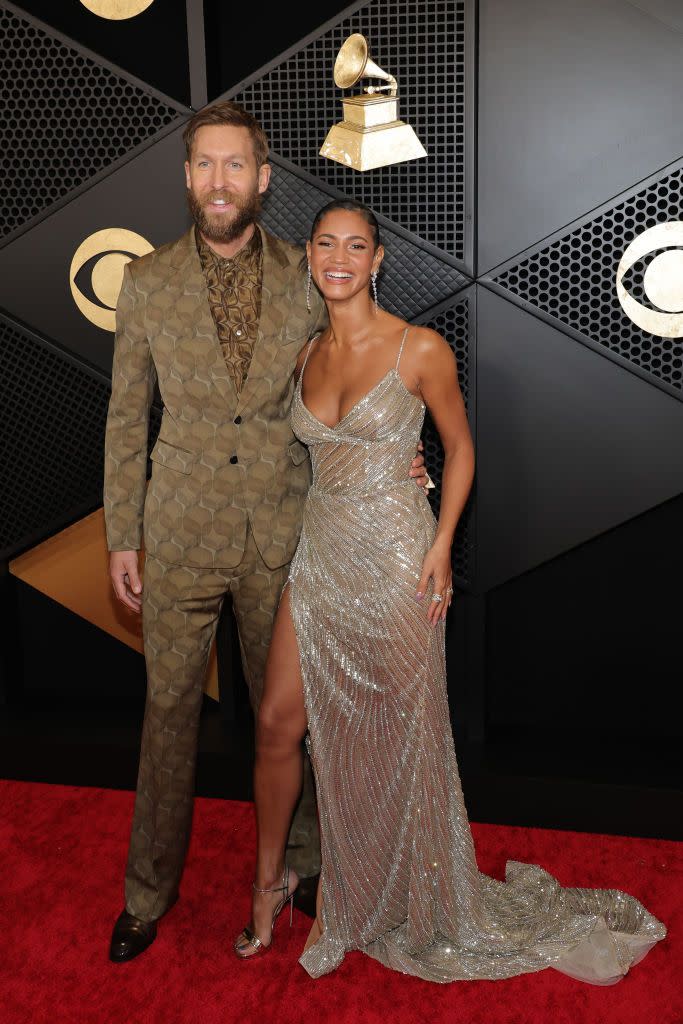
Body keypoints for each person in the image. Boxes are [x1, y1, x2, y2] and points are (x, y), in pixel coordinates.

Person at [234, 199, 666, 983]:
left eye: (354, 246)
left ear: (376, 260)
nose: (338, 257)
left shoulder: (419, 347)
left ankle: (413, 893)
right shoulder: (302, 356)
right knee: (274, 722)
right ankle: (270, 887)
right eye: (324, 244)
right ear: (309, 258)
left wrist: (440, 547)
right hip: (322, 554)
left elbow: (460, 450)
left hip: (401, 561)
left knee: (406, 734)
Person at [103, 102, 429, 963]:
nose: (219, 182)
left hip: (287, 535)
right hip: (175, 532)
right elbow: (126, 417)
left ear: (262, 179)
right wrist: (121, 533)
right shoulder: (145, 281)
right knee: (167, 714)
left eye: (234, 166)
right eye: (204, 166)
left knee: (292, 717)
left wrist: (398, 452)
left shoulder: (304, 272)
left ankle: (309, 865)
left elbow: (360, 365)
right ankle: (147, 892)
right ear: (186, 178)